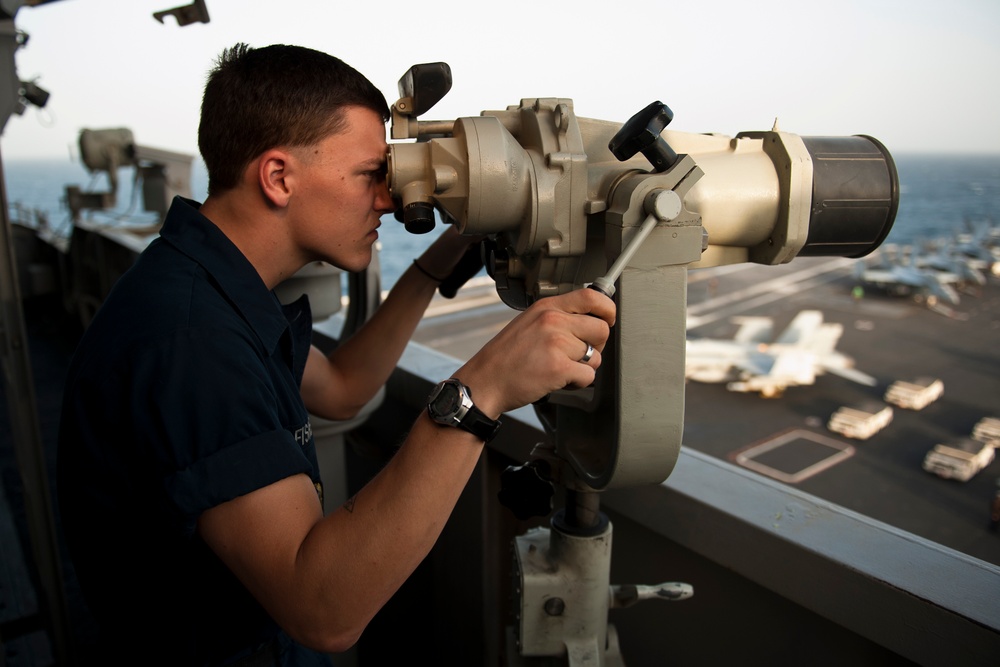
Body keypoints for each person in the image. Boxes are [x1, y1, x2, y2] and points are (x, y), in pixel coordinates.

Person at [56, 43, 614, 666]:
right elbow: (323, 610)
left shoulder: (209, 286)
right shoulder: (192, 344)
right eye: (367, 174)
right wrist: (481, 390)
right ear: (278, 177)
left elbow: (345, 385)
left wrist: (434, 266)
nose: (386, 199)